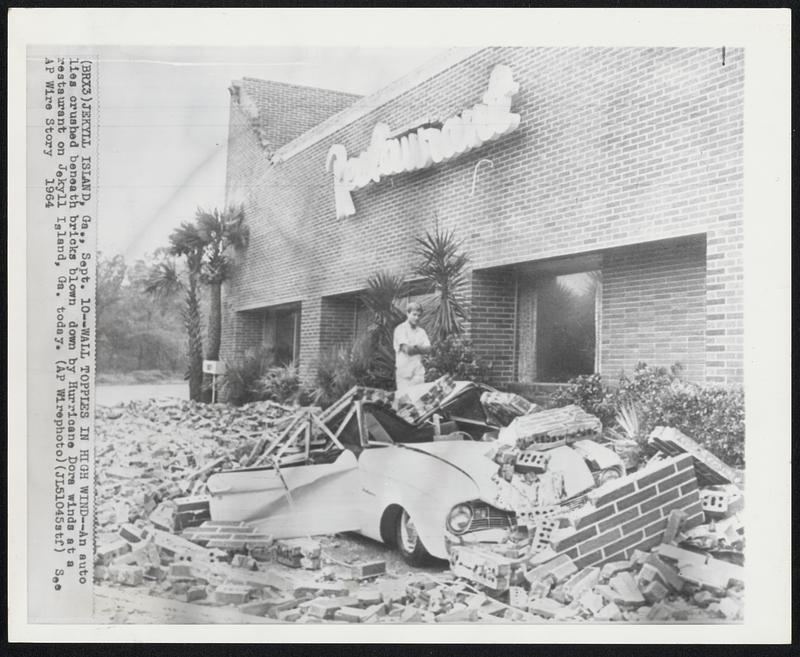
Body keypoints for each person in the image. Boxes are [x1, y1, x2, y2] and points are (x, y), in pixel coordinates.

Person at [393, 302, 432, 398]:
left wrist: (414, 347)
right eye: (414, 315)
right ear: (407, 314)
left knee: (419, 404)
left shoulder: (421, 332)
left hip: (418, 374)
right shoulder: (400, 329)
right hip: (405, 376)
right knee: (405, 405)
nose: (417, 318)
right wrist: (420, 348)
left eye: (419, 315)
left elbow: (429, 349)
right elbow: (407, 350)